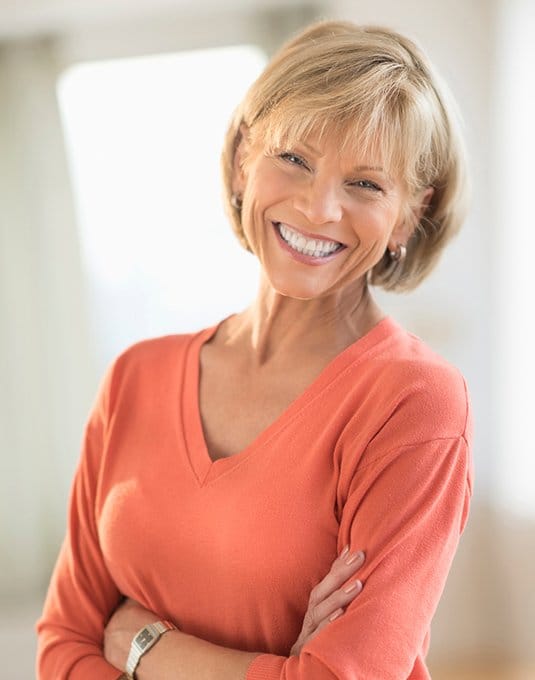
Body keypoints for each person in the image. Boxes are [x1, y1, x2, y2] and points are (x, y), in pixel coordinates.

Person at [36, 18, 473, 680]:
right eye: (293, 158)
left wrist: (140, 645)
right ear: (244, 158)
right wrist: (275, 665)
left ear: (408, 215)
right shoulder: (135, 377)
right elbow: (63, 643)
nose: (318, 207)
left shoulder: (413, 403)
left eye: (365, 184)